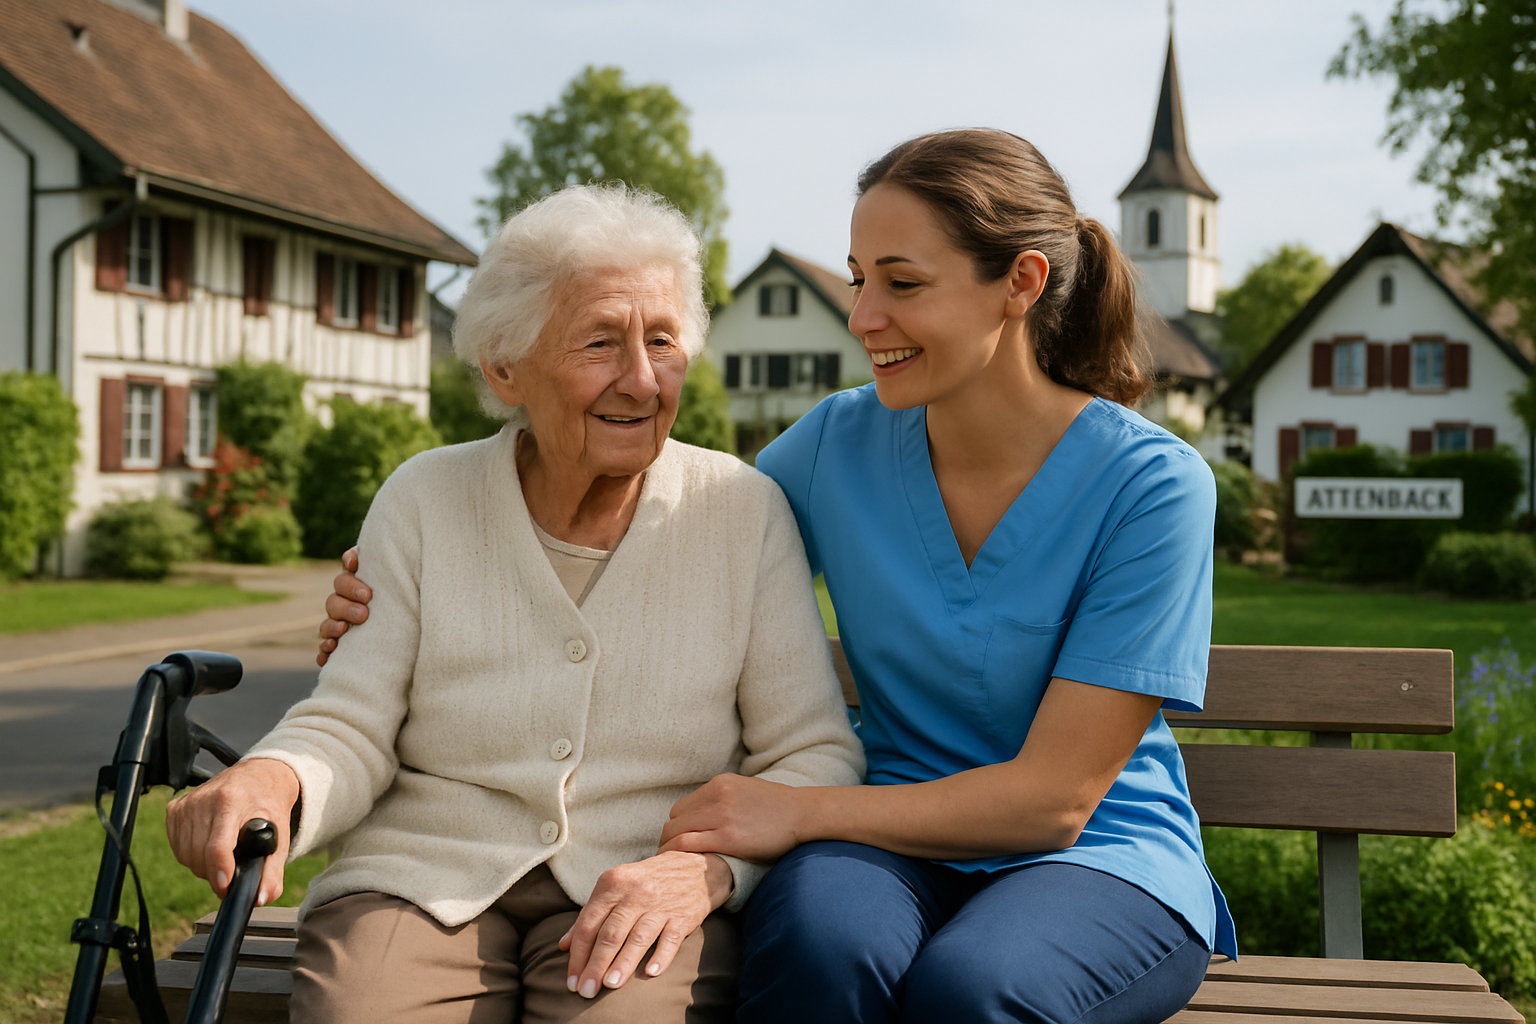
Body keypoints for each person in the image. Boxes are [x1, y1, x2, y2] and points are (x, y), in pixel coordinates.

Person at [324, 130, 1236, 1023]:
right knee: (818, 948)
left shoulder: (1150, 487)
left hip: (1089, 855)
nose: (863, 317)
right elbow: (675, 532)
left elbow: (1054, 801)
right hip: (881, 845)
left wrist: (799, 814)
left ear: (1021, 285)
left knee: (973, 989)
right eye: (859, 279)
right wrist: (411, 592)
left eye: (902, 283)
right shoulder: (838, 444)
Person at [168, 184, 864, 1024]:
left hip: (640, 884)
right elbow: (350, 721)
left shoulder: (741, 511)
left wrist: (708, 871)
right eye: (601, 342)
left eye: (664, 340)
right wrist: (273, 778)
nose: (641, 380)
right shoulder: (426, 497)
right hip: (420, 879)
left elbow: (811, 756)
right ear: (505, 366)